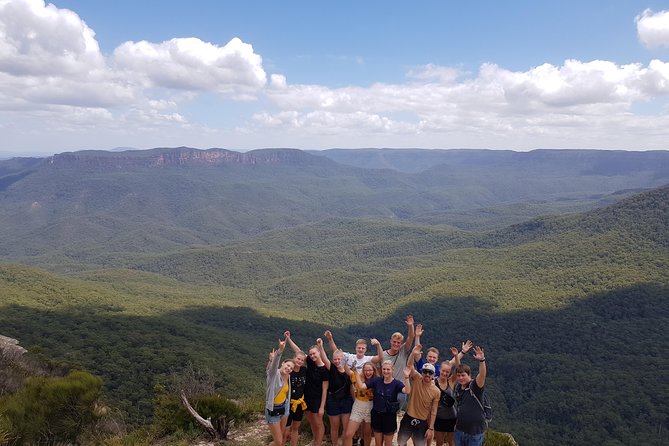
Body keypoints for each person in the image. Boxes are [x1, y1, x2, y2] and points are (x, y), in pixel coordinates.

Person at [285, 331, 329, 446]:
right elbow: (298, 352)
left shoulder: (324, 370)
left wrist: (321, 407)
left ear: (319, 353)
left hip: (316, 399)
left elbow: (325, 389)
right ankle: (314, 440)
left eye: (314, 353)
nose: (312, 356)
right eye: (311, 354)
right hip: (306, 398)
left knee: (318, 423)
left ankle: (318, 443)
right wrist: (288, 339)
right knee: (312, 422)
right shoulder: (310, 361)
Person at [354, 360, 411, 446]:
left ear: (392, 370)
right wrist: (356, 373)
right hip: (377, 415)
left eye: (388, 369)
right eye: (384, 369)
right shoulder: (377, 380)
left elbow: (407, 391)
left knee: (387, 443)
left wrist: (406, 377)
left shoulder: (396, 383)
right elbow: (362, 387)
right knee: (378, 443)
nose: (386, 371)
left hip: (389, 417)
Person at [397, 345, 441, 446]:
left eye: (430, 373)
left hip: (422, 421)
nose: (427, 375)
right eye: (425, 372)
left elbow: (434, 411)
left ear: (434, 374)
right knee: (401, 442)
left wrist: (431, 428)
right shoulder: (417, 378)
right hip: (408, 417)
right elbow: (410, 365)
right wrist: (413, 353)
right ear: (422, 372)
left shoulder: (436, 391)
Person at [373, 315, 415, 409]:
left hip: (400, 388)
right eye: (394, 342)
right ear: (390, 341)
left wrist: (411, 326)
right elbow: (379, 371)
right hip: (386, 388)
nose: (396, 344)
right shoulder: (383, 355)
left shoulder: (403, 351)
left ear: (401, 344)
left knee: (398, 409)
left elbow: (411, 337)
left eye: (398, 342)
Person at [319, 339, 354, 446]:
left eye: (339, 359)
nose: (337, 361)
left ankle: (344, 443)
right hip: (333, 400)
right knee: (334, 427)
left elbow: (352, 386)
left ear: (343, 359)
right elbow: (324, 359)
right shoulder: (332, 368)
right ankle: (334, 444)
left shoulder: (349, 371)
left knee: (346, 427)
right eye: (335, 359)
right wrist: (320, 346)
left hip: (346, 400)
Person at [453, 346, 487, 446]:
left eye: (463, 375)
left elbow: (482, 375)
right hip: (459, 430)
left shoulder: (475, 387)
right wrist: (458, 355)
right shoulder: (459, 388)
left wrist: (482, 360)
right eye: (458, 376)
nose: (460, 378)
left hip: (475, 432)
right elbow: (458, 368)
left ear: (469, 376)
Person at [265, 336, 295, 446]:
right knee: (278, 441)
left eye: (291, 368)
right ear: (282, 363)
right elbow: (272, 367)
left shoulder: (289, 377)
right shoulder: (274, 374)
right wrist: (280, 351)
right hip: (273, 410)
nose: (289, 369)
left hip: (284, 406)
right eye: (287, 365)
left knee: (282, 439)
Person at [343, 362, 376, 446]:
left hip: (370, 408)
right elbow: (348, 371)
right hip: (358, 407)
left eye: (370, 370)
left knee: (367, 434)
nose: (367, 372)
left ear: (374, 370)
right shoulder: (357, 377)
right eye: (365, 370)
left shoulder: (377, 380)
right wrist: (344, 360)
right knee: (348, 434)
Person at [434, 348, 461, 446]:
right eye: (443, 371)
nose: (445, 373)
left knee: (451, 442)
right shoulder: (433, 383)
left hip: (452, 418)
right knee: (439, 443)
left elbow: (459, 369)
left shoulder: (451, 382)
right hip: (439, 418)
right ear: (439, 370)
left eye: (447, 372)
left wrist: (456, 356)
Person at [284, 349, 308, 446]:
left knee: (296, 428)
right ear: (294, 358)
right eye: (298, 359)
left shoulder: (304, 370)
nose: (300, 361)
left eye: (302, 360)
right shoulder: (289, 371)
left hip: (299, 403)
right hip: (288, 404)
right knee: (286, 429)